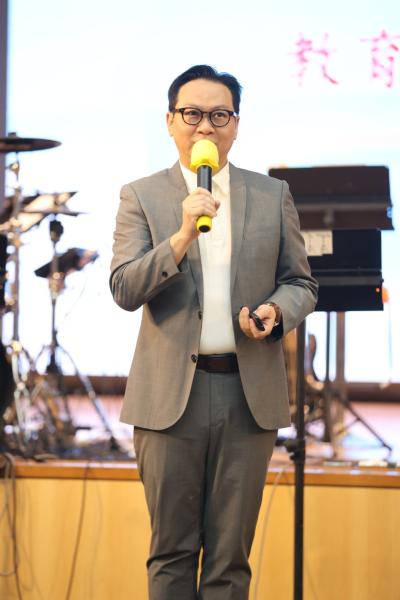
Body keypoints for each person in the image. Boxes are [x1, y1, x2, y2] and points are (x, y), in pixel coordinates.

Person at [110, 64, 318, 600]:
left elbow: (301, 283)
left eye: (219, 115)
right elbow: (125, 288)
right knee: (172, 553)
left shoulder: (272, 195)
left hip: (247, 397)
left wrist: (275, 313)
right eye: (192, 114)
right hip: (169, 400)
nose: (205, 126)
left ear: (236, 124)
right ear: (170, 122)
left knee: (230, 559)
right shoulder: (141, 195)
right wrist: (182, 235)